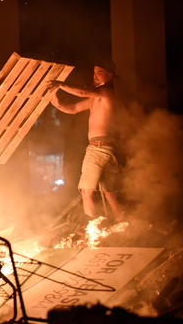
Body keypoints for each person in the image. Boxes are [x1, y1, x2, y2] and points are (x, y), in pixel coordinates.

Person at [48, 63, 125, 222]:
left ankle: (92, 228)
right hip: (109, 149)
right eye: (94, 71)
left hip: (98, 149)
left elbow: (82, 92)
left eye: (100, 71)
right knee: (109, 191)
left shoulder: (106, 93)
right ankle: (123, 222)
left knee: (86, 191)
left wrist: (61, 84)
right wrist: (56, 101)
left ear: (110, 76)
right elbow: (74, 108)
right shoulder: (97, 98)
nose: (95, 75)